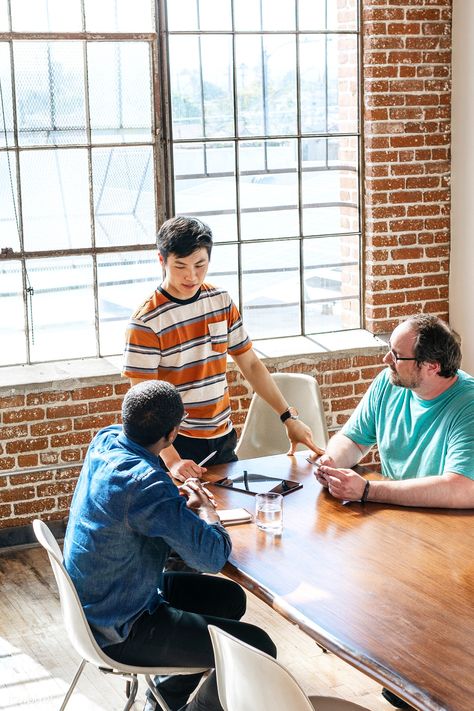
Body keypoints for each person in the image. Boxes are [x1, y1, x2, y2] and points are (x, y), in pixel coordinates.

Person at [63, 380, 276, 711]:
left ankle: (164, 702)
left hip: (97, 602)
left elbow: (133, 509)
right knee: (258, 647)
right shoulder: (147, 483)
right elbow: (211, 558)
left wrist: (173, 510)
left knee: (228, 598)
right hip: (122, 626)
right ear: (172, 434)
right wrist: (207, 511)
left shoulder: (105, 440)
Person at [123, 216, 322, 482]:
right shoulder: (146, 321)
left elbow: (250, 364)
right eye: (180, 266)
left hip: (223, 438)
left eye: (200, 265)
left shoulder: (220, 301)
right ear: (162, 261)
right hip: (174, 442)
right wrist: (173, 461)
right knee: (186, 517)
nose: (191, 276)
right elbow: (142, 400)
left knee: (232, 514)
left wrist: (288, 417)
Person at [314, 314, 474, 509]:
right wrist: (332, 462)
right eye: (389, 348)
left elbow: (462, 488)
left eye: (396, 355)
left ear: (432, 366)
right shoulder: (389, 382)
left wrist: (368, 490)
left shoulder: (468, 407)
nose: (386, 359)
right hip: (395, 513)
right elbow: (353, 440)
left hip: (447, 525)